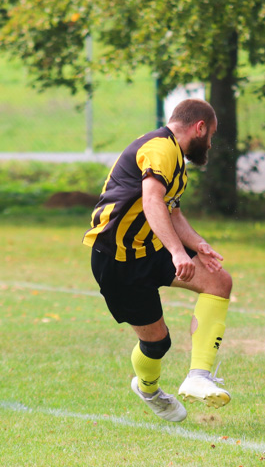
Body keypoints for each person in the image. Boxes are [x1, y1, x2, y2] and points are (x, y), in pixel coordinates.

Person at [83, 98, 232, 422]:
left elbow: (171, 211)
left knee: (218, 281)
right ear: (200, 127)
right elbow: (152, 201)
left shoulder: (176, 160)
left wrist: (197, 244)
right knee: (157, 343)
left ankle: (198, 376)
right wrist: (179, 252)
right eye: (212, 135)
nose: (210, 143)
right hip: (116, 258)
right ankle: (148, 388)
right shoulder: (159, 148)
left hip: (150, 250)